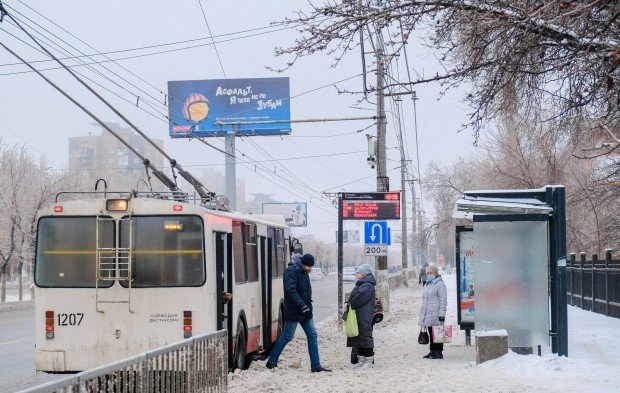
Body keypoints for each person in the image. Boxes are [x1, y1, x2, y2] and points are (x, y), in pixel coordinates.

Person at [266, 253, 331, 372]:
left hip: (306, 311)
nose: (310, 269)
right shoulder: (291, 271)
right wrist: (302, 305)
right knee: (287, 336)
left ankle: (316, 365)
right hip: (294, 311)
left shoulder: (304, 271)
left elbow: (305, 291)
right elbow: (290, 291)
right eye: (308, 266)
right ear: (302, 264)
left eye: (311, 267)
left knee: (312, 335)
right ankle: (271, 361)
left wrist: (307, 307)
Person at [345, 264, 376, 368]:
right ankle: (361, 360)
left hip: (364, 315)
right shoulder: (362, 284)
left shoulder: (367, 285)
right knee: (359, 337)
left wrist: (350, 303)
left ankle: (368, 360)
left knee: (365, 337)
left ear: (363, 274)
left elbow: (358, 299)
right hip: (359, 314)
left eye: (358, 273)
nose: (356, 275)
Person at [418, 265, 447, 359]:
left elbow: (443, 300)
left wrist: (442, 314)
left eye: (431, 273)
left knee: (438, 332)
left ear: (435, 273)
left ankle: (439, 352)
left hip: (437, 313)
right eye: (428, 273)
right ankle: (432, 351)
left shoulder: (440, 284)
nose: (429, 275)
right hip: (428, 313)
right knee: (431, 332)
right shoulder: (428, 284)